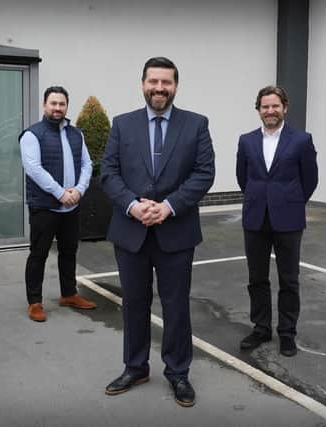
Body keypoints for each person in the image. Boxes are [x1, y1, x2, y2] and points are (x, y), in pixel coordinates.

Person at [101, 57, 215, 407]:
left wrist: (167, 207)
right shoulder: (123, 125)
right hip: (131, 231)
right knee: (133, 305)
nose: (159, 88)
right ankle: (135, 366)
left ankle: (178, 372)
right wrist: (134, 205)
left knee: (176, 306)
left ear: (175, 86)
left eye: (166, 82)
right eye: (154, 81)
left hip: (176, 232)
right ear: (143, 84)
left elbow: (203, 173)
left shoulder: (195, 124)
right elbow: (108, 172)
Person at [236, 85, 318, 357]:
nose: (270, 111)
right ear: (258, 109)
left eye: (275, 106)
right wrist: (261, 198)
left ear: (285, 107)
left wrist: (290, 201)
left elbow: (310, 180)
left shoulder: (302, 140)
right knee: (256, 278)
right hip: (255, 218)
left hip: (289, 219)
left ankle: (287, 332)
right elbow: (242, 178)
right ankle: (261, 328)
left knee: (289, 279)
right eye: (264, 106)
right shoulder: (246, 140)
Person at [19, 86, 96, 322]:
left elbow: (87, 164)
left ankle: (69, 293)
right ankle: (34, 302)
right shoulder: (32, 134)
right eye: (53, 103)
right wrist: (61, 193)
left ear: (66, 106)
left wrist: (80, 190)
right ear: (44, 105)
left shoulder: (76, 134)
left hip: (72, 205)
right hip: (45, 206)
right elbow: (33, 169)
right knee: (39, 254)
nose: (57, 108)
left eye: (62, 104)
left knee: (69, 251)